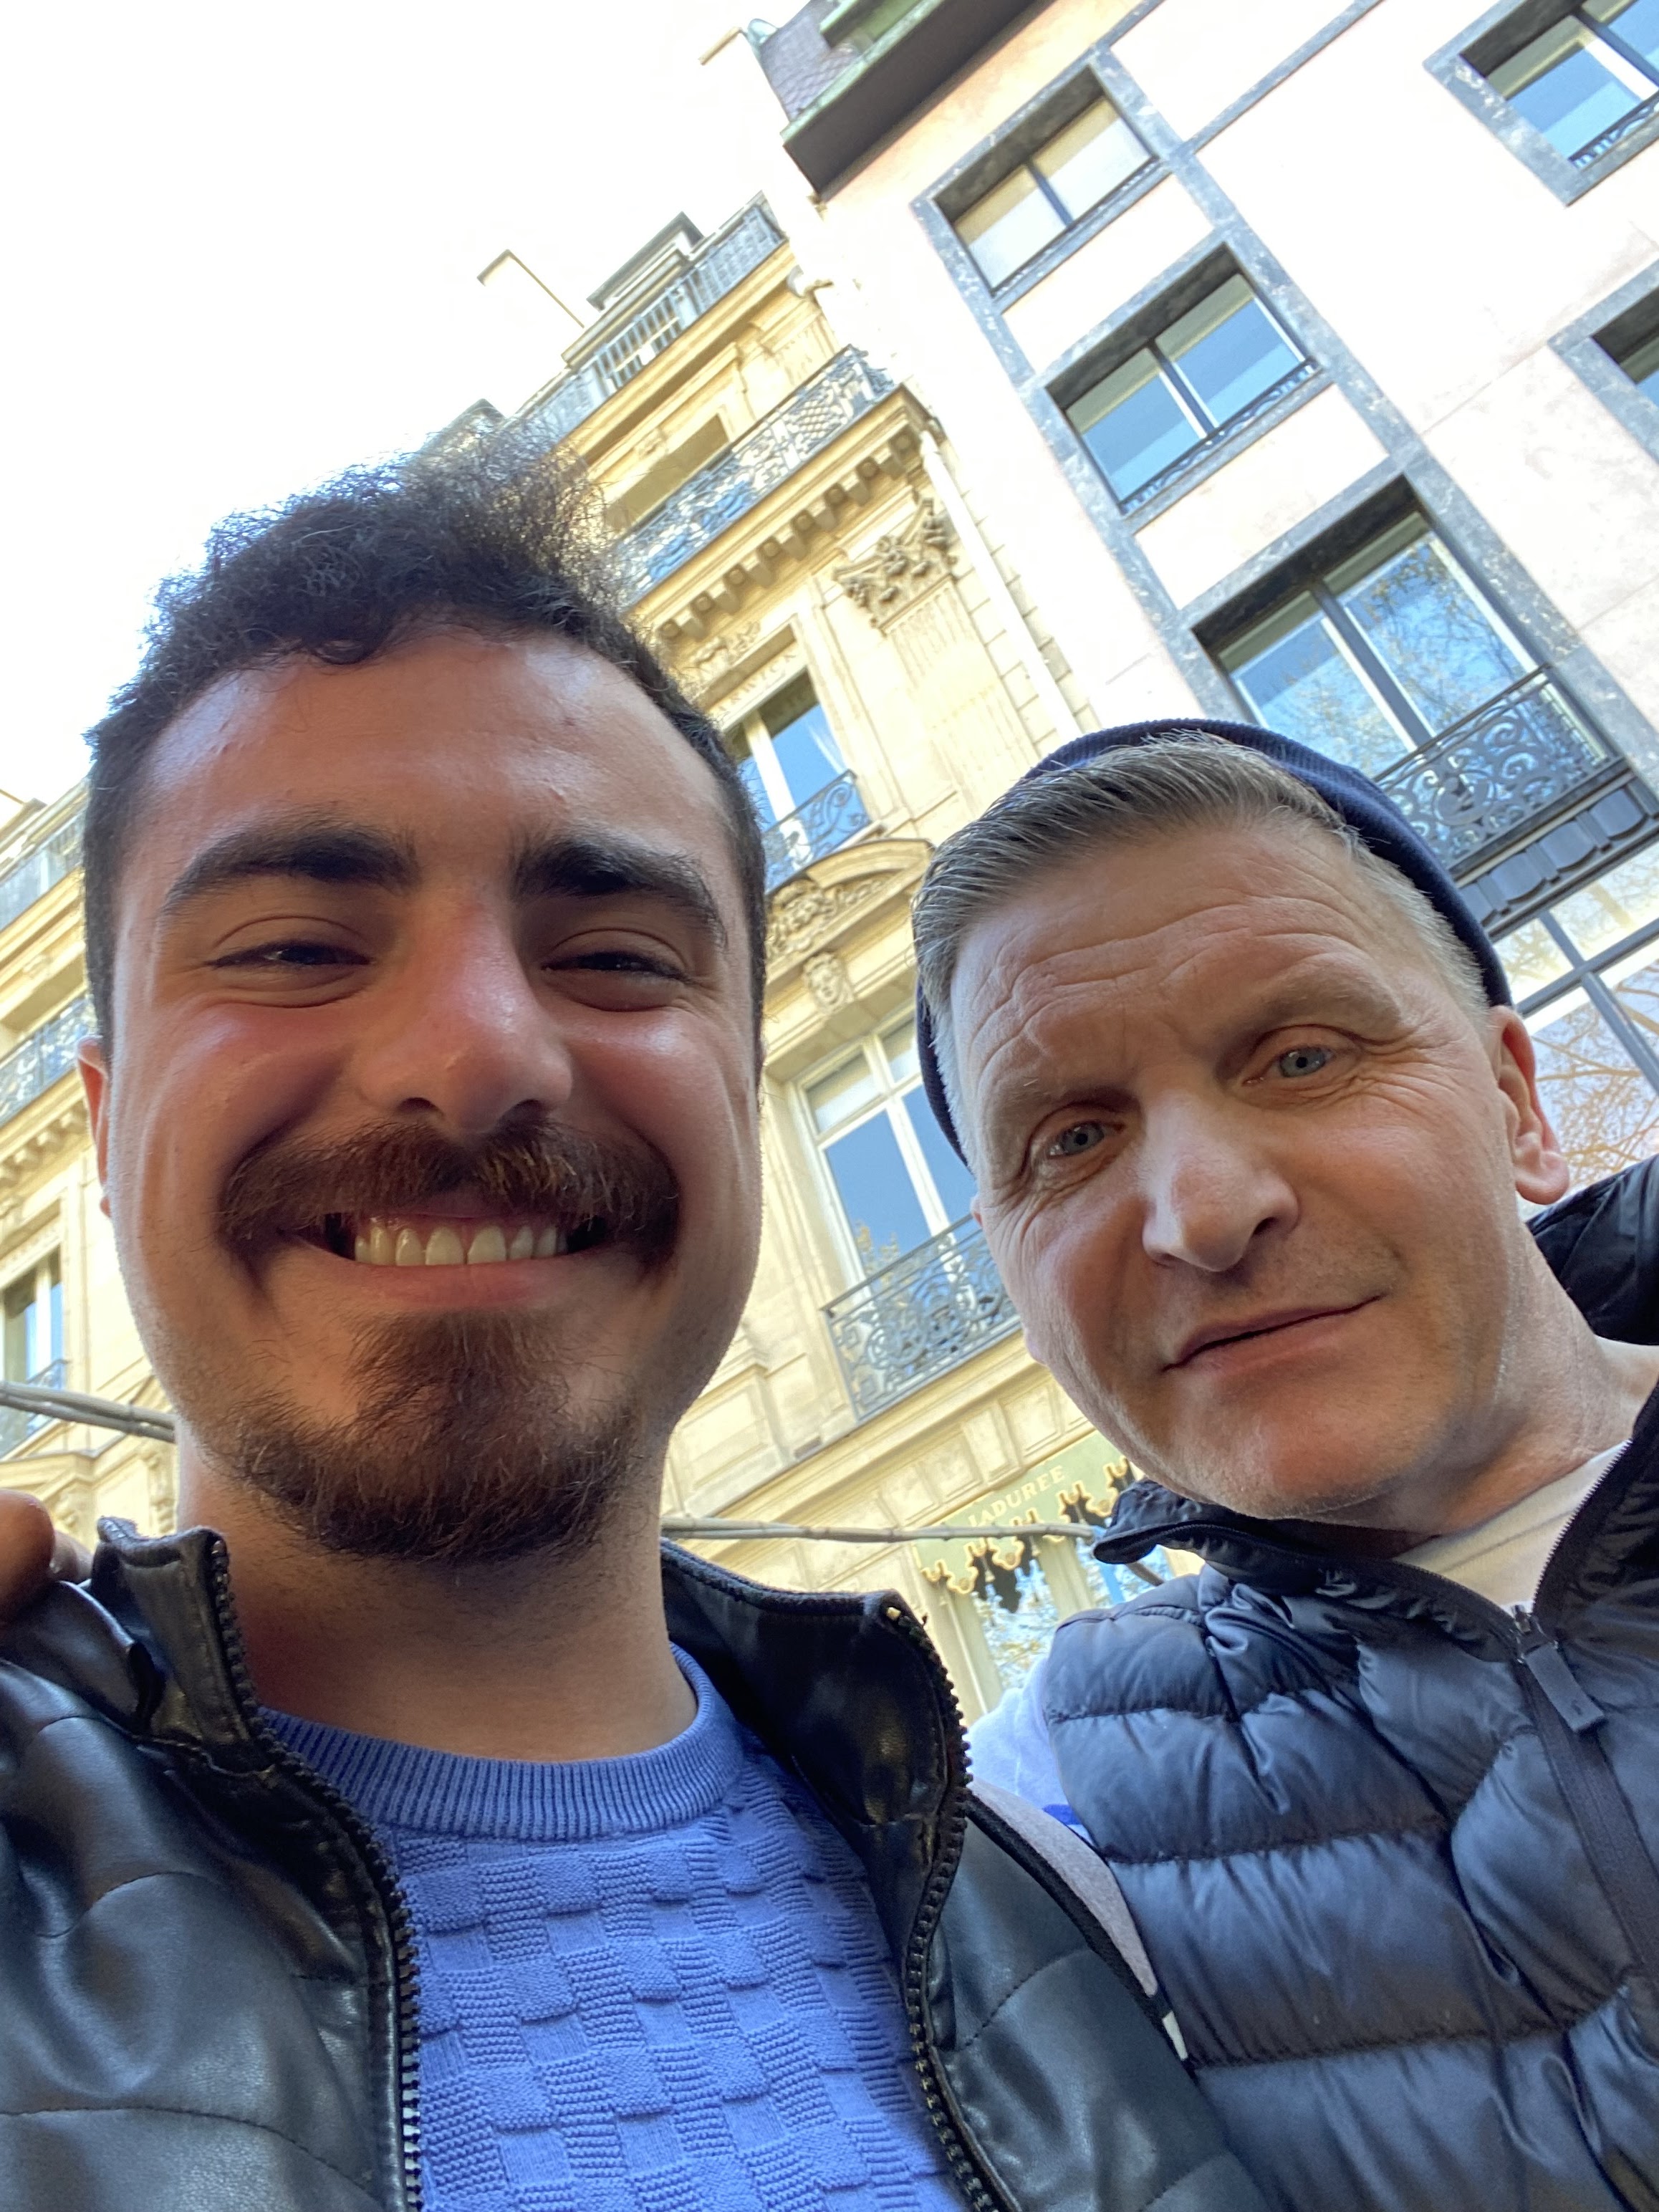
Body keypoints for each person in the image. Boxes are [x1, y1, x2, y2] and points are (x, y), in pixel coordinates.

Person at [0, 457, 1264, 2212]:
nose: (475, 1052)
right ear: (106, 1115)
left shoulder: (1078, 1921)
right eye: (293, 949)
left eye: (614, 953)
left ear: (740, 1089)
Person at [908, 720, 1659, 2212]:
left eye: (1302, 1057)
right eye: (1070, 1139)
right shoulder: (1023, 1846)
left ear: (1519, 1103)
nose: (1201, 1211)